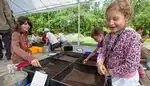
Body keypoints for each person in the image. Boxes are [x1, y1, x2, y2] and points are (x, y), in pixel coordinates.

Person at [97, 0, 141, 86]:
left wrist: (111, 71)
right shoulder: (107, 36)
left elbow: (132, 65)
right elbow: (103, 51)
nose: (110, 23)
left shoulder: (132, 36)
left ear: (126, 17)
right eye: (108, 19)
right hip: (110, 75)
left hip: (125, 80)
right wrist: (100, 62)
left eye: (115, 19)